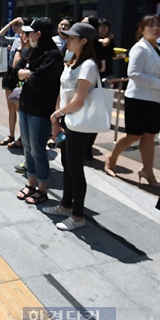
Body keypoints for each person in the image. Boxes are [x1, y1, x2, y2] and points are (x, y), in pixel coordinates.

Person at [44, 22, 101, 231]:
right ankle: (66, 205)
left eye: (72, 37)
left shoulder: (88, 65)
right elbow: (63, 90)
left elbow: (78, 100)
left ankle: (78, 216)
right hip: (68, 121)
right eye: (66, 37)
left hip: (79, 123)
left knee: (75, 169)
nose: (67, 40)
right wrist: (58, 118)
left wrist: (57, 114)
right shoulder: (72, 59)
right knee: (68, 165)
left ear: (84, 41)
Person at [104, 14, 160, 186]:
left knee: (150, 136)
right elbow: (133, 73)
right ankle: (111, 159)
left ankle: (147, 171)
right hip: (138, 98)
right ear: (141, 29)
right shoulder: (140, 48)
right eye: (150, 25)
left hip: (155, 99)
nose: (156, 28)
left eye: (158, 24)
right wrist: (158, 83)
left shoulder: (158, 47)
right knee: (133, 135)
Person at [14, 18, 64, 205]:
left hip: (41, 111)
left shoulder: (53, 56)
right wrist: (26, 73)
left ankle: (42, 190)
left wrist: (26, 74)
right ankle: (31, 185)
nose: (26, 36)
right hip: (26, 107)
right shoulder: (33, 51)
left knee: (37, 150)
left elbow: (39, 83)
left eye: (29, 33)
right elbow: (16, 70)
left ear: (38, 34)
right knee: (27, 148)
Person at [0, 17, 25, 148]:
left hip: (20, 75)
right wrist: (10, 23)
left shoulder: (29, 41)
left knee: (20, 108)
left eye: (18, 25)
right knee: (11, 107)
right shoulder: (15, 40)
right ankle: (11, 134)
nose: (15, 27)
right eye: (15, 25)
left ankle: (23, 137)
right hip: (10, 74)